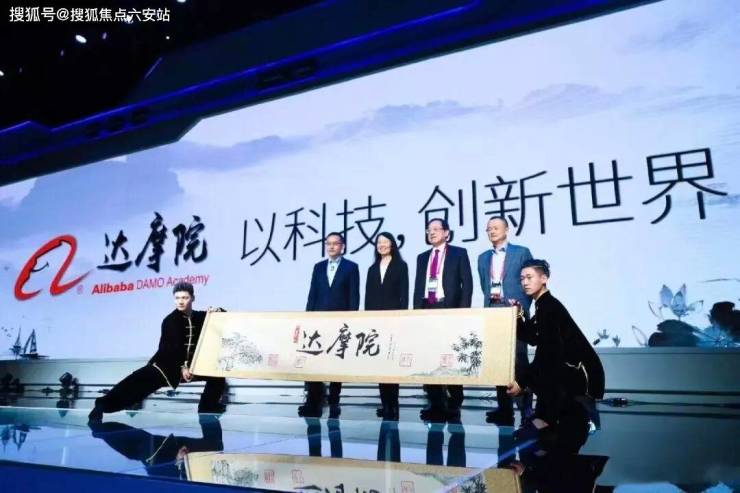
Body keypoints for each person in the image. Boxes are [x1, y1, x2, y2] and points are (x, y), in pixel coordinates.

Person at [88, 282, 226, 423]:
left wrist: (217, 311)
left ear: (193, 298)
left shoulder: (200, 316)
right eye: (177, 298)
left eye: (185, 298)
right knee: (136, 383)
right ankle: (102, 406)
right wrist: (182, 367)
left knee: (217, 376)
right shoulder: (170, 320)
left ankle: (207, 406)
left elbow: (223, 316)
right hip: (168, 365)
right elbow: (172, 348)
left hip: (193, 367)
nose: (181, 301)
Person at [506, 259, 604, 438]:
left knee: (544, 375)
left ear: (544, 278)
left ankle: (560, 422)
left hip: (579, 375)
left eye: (529, 277)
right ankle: (542, 422)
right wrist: (518, 314)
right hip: (566, 371)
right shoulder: (543, 305)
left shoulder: (549, 307)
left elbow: (548, 353)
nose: (525, 282)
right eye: (522, 279)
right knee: (544, 379)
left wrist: (522, 381)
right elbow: (532, 338)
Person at [413, 218, 473, 421]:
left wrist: (462, 313)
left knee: (451, 356)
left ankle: (455, 401)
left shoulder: (459, 253)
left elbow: (467, 284)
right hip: (427, 309)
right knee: (430, 357)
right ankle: (436, 403)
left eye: (436, 229)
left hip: (449, 309)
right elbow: (418, 287)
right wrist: (416, 313)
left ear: (447, 233)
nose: (431, 233)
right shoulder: (422, 257)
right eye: (429, 230)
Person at [477, 216, 534, 426]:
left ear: (507, 229)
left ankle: (526, 409)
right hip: (493, 311)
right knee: (498, 361)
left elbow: (530, 279)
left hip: (514, 311)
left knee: (519, 359)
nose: (492, 231)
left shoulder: (521, 252)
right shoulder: (483, 258)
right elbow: (484, 284)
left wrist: (522, 306)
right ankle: (504, 408)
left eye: (496, 227)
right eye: (488, 229)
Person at [300, 232, 360, 418]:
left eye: (335, 243)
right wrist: (308, 317)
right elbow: (312, 294)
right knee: (314, 359)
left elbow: (354, 296)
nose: (332, 246)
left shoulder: (351, 267)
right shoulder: (318, 267)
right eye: (328, 243)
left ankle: (334, 398)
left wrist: (351, 320)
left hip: (340, 322)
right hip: (318, 321)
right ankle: (314, 398)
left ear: (343, 246)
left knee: (337, 360)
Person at [365, 232, 409, 420]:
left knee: (392, 363)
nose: (381, 245)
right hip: (376, 322)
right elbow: (368, 296)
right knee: (380, 364)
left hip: (394, 320)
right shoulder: (372, 268)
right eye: (379, 242)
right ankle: (385, 404)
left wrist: (402, 317)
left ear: (392, 245)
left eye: (385, 242)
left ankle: (394, 405)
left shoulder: (401, 266)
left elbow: (404, 293)